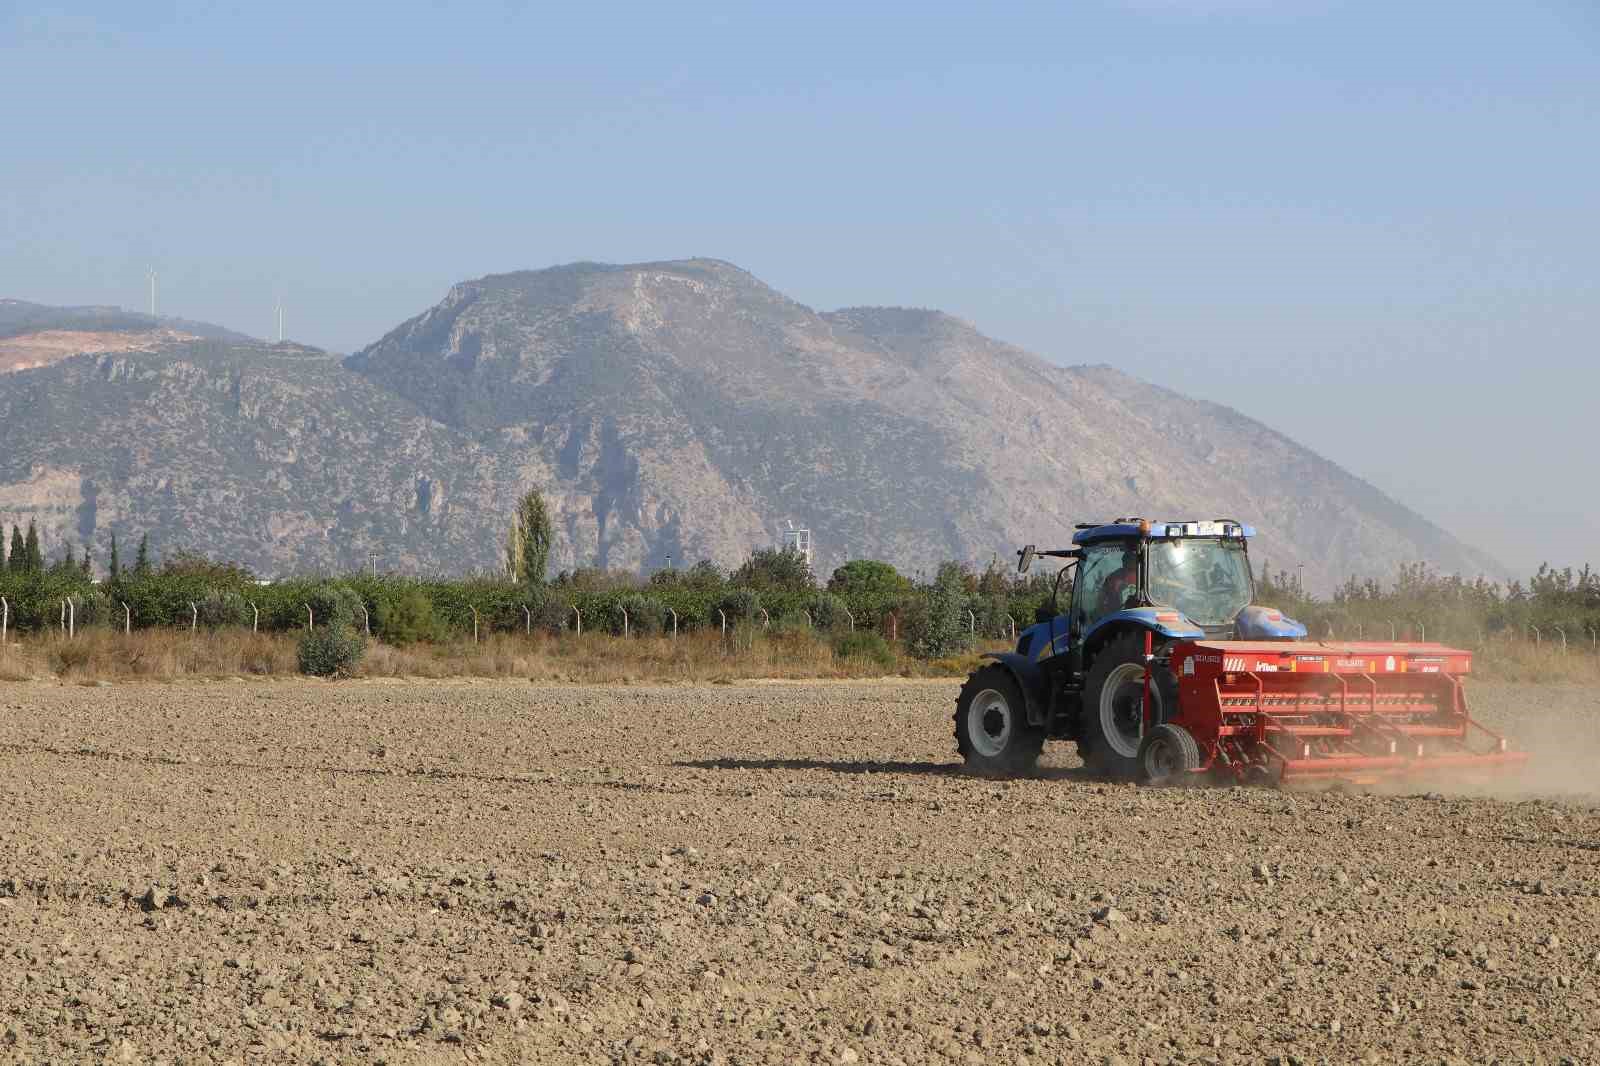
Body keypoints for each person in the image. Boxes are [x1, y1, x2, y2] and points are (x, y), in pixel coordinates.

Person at [1097, 549, 1139, 616]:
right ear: (1123, 562)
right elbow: (1101, 599)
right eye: (1127, 561)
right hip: (1116, 616)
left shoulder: (1144, 576)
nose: (1129, 563)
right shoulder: (1112, 578)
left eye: (1132, 560)